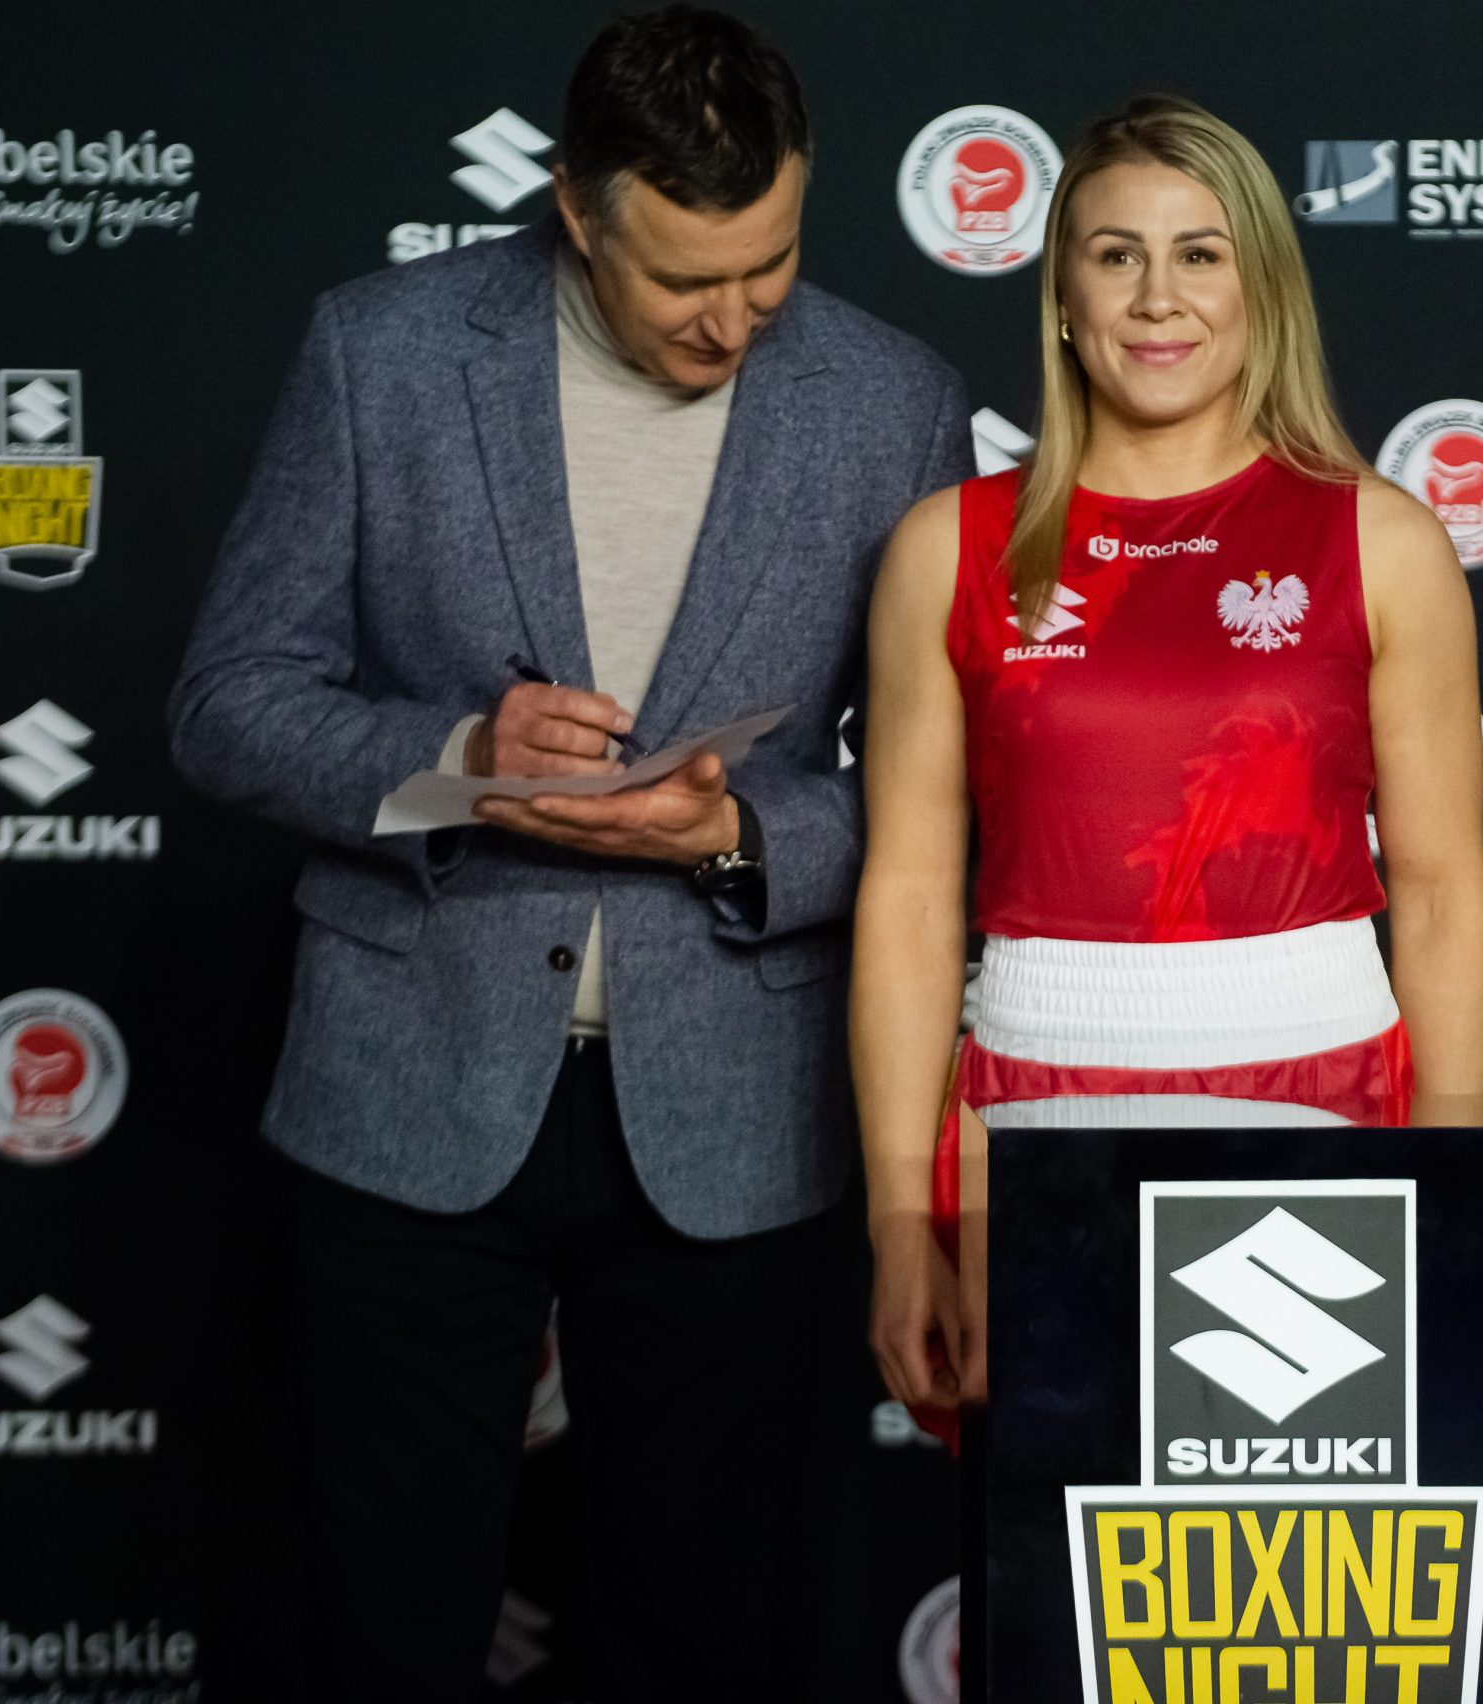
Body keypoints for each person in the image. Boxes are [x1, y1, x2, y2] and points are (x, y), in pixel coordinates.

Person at [167, 8, 971, 1699]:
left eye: (771, 264)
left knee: (701, 1639)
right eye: (686, 280)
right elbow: (229, 703)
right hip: (410, 1089)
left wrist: (738, 830)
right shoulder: (381, 352)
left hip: (739, 1115)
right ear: (578, 213)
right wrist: (455, 761)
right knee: (374, 1627)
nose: (734, 319)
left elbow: (927, 800)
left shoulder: (895, 399)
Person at [851, 95, 1483, 1435]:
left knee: (1303, 1561)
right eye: (1117, 255)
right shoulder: (947, 548)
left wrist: (1466, 1185)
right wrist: (901, 1220)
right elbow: (910, 899)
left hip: (1320, 1086)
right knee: (1058, 1552)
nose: (1158, 297)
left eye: (1200, 254)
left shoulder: (1382, 540)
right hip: (1032, 1107)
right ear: (1062, 294)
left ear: (1262, 286)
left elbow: (1442, 893)